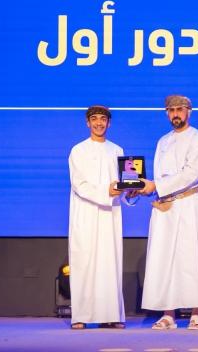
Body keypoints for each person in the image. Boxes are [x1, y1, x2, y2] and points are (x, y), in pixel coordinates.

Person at [139, 95, 198, 330]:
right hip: (165, 205)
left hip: (189, 203)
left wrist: (157, 186)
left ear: (189, 112)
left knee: (192, 256)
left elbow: (192, 173)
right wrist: (144, 189)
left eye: (180, 109)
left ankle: (196, 312)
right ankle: (168, 313)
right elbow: (159, 175)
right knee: (164, 258)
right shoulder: (163, 141)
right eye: (171, 110)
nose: (175, 114)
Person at [68, 105, 125, 329]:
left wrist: (131, 191)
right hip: (86, 213)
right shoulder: (78, 150)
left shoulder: (118, 150)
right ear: (87, 123)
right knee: (84, 262)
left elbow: (124, 183)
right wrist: (105, 191)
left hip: (110, 215)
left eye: (103, 119)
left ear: (109, 123)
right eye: (94, 119)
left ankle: (110, 315)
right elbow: (79, 184)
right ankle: (80, 316)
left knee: (110, 264)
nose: (99, 123)